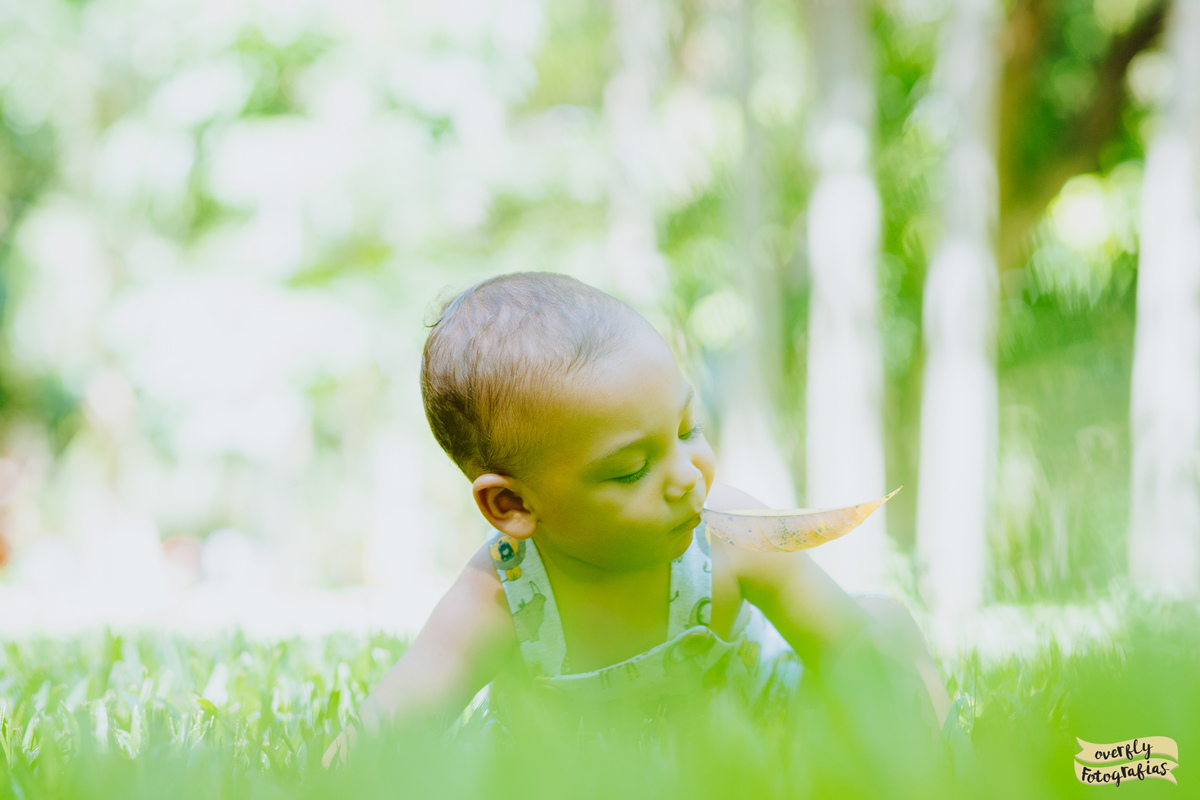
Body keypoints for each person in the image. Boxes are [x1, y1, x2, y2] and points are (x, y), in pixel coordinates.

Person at [325, 271, 951, 765]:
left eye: (687, 428)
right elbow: (391, 727)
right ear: (511, 506)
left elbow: (845, 647)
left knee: (885, 623)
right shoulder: (500, 595)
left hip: (738, 745)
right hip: (571, 776)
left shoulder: (731, 536)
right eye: (630, 469)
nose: (686, 475)